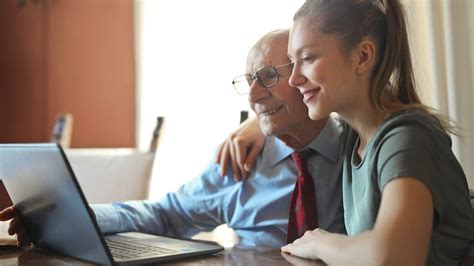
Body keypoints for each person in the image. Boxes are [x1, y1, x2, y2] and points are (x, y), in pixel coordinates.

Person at [0, 29, 346, 248]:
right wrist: (79, 215)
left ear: (308, 75)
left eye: (268, 76)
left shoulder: (362, 147)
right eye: (249, 80)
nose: (253, 96)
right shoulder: (241, 159)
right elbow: (167, 214)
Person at [219, 0, 474, 265]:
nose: (294, 79)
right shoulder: (356, 138)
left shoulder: (407, 139)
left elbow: (394, 257)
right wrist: (261, 125)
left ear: (362, 57)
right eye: (292, 63)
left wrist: (319, 241)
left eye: (306, 59)